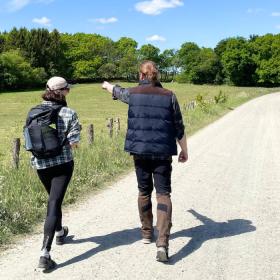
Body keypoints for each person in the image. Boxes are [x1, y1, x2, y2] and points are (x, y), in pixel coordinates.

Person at [102, 61, 188, 262]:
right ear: (157, 76)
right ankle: (163, 244)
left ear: (140, 76)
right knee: (163, 194)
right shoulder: (169, 95)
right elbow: (179, 127)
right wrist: (184, 150)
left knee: (143, 191)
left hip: (139, 152)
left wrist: (107, 86)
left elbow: (119, 91)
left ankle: (147, 233)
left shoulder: (133, 94)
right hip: (162, 153)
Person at [30, 77, 81, 270]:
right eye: (68, 89)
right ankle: (45, 254)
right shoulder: (69, 112)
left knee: (53, 199)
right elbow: (74, 143)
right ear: (64, 92)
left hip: (41, 164)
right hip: (62, 164)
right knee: (54, 202)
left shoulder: (34, 111)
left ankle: (60, 232)